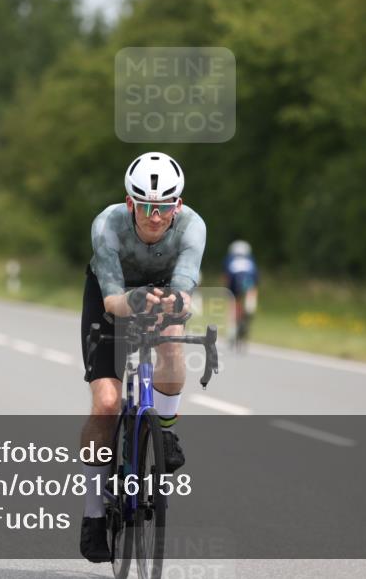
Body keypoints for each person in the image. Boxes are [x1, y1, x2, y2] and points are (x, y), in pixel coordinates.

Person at [79, 152, 206, 563]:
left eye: (165, 206)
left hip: (163, 289)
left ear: (178, 205)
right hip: (111, 296)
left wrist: (174, 302)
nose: (156, 216)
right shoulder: (107, 225)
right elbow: (114, 301)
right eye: (146, 206)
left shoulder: (192, 226)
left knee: (172, 340)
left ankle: (163, 432)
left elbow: (186, 290)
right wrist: (132, 300)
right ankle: (94, 513)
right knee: (108, 403)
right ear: (130, 203)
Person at [222, 240, 258, 347]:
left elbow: (226, 277)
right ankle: (249, 310)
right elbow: (256, 279)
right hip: (249, 285)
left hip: (234, 284)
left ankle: (232, 330)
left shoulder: (229, 259)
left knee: (233, 307)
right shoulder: (250, 260)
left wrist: (227, 292)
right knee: (249, 300)